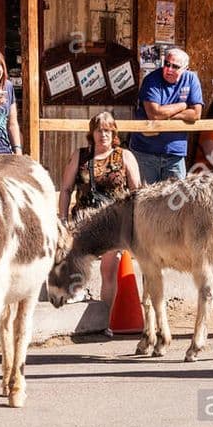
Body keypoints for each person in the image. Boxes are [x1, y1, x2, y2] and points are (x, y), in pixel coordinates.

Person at [58, 112, 142, 307]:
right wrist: (63, 219)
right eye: (99, 130)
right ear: (92, 133)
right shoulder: (80, 156)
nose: (103, 134)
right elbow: (65, 189)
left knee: (109, 267)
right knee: (70, 252)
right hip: (83, 222)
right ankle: (75, 291)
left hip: (114, 225)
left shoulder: (125, 156)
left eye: (107, 130)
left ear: (114, 133)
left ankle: (108, 314)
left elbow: (137, 192)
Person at [130, 46, 203, 184]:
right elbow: (155, 114)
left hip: (175, 152)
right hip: (145, 152)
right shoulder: (151, 80)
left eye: (175, 66)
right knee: (145, 200)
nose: (169, 69)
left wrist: (168, 115)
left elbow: (196, 113)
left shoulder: (191, 79)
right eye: (166, 64)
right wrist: (183, 106)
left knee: (175, 201)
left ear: (185, 69)